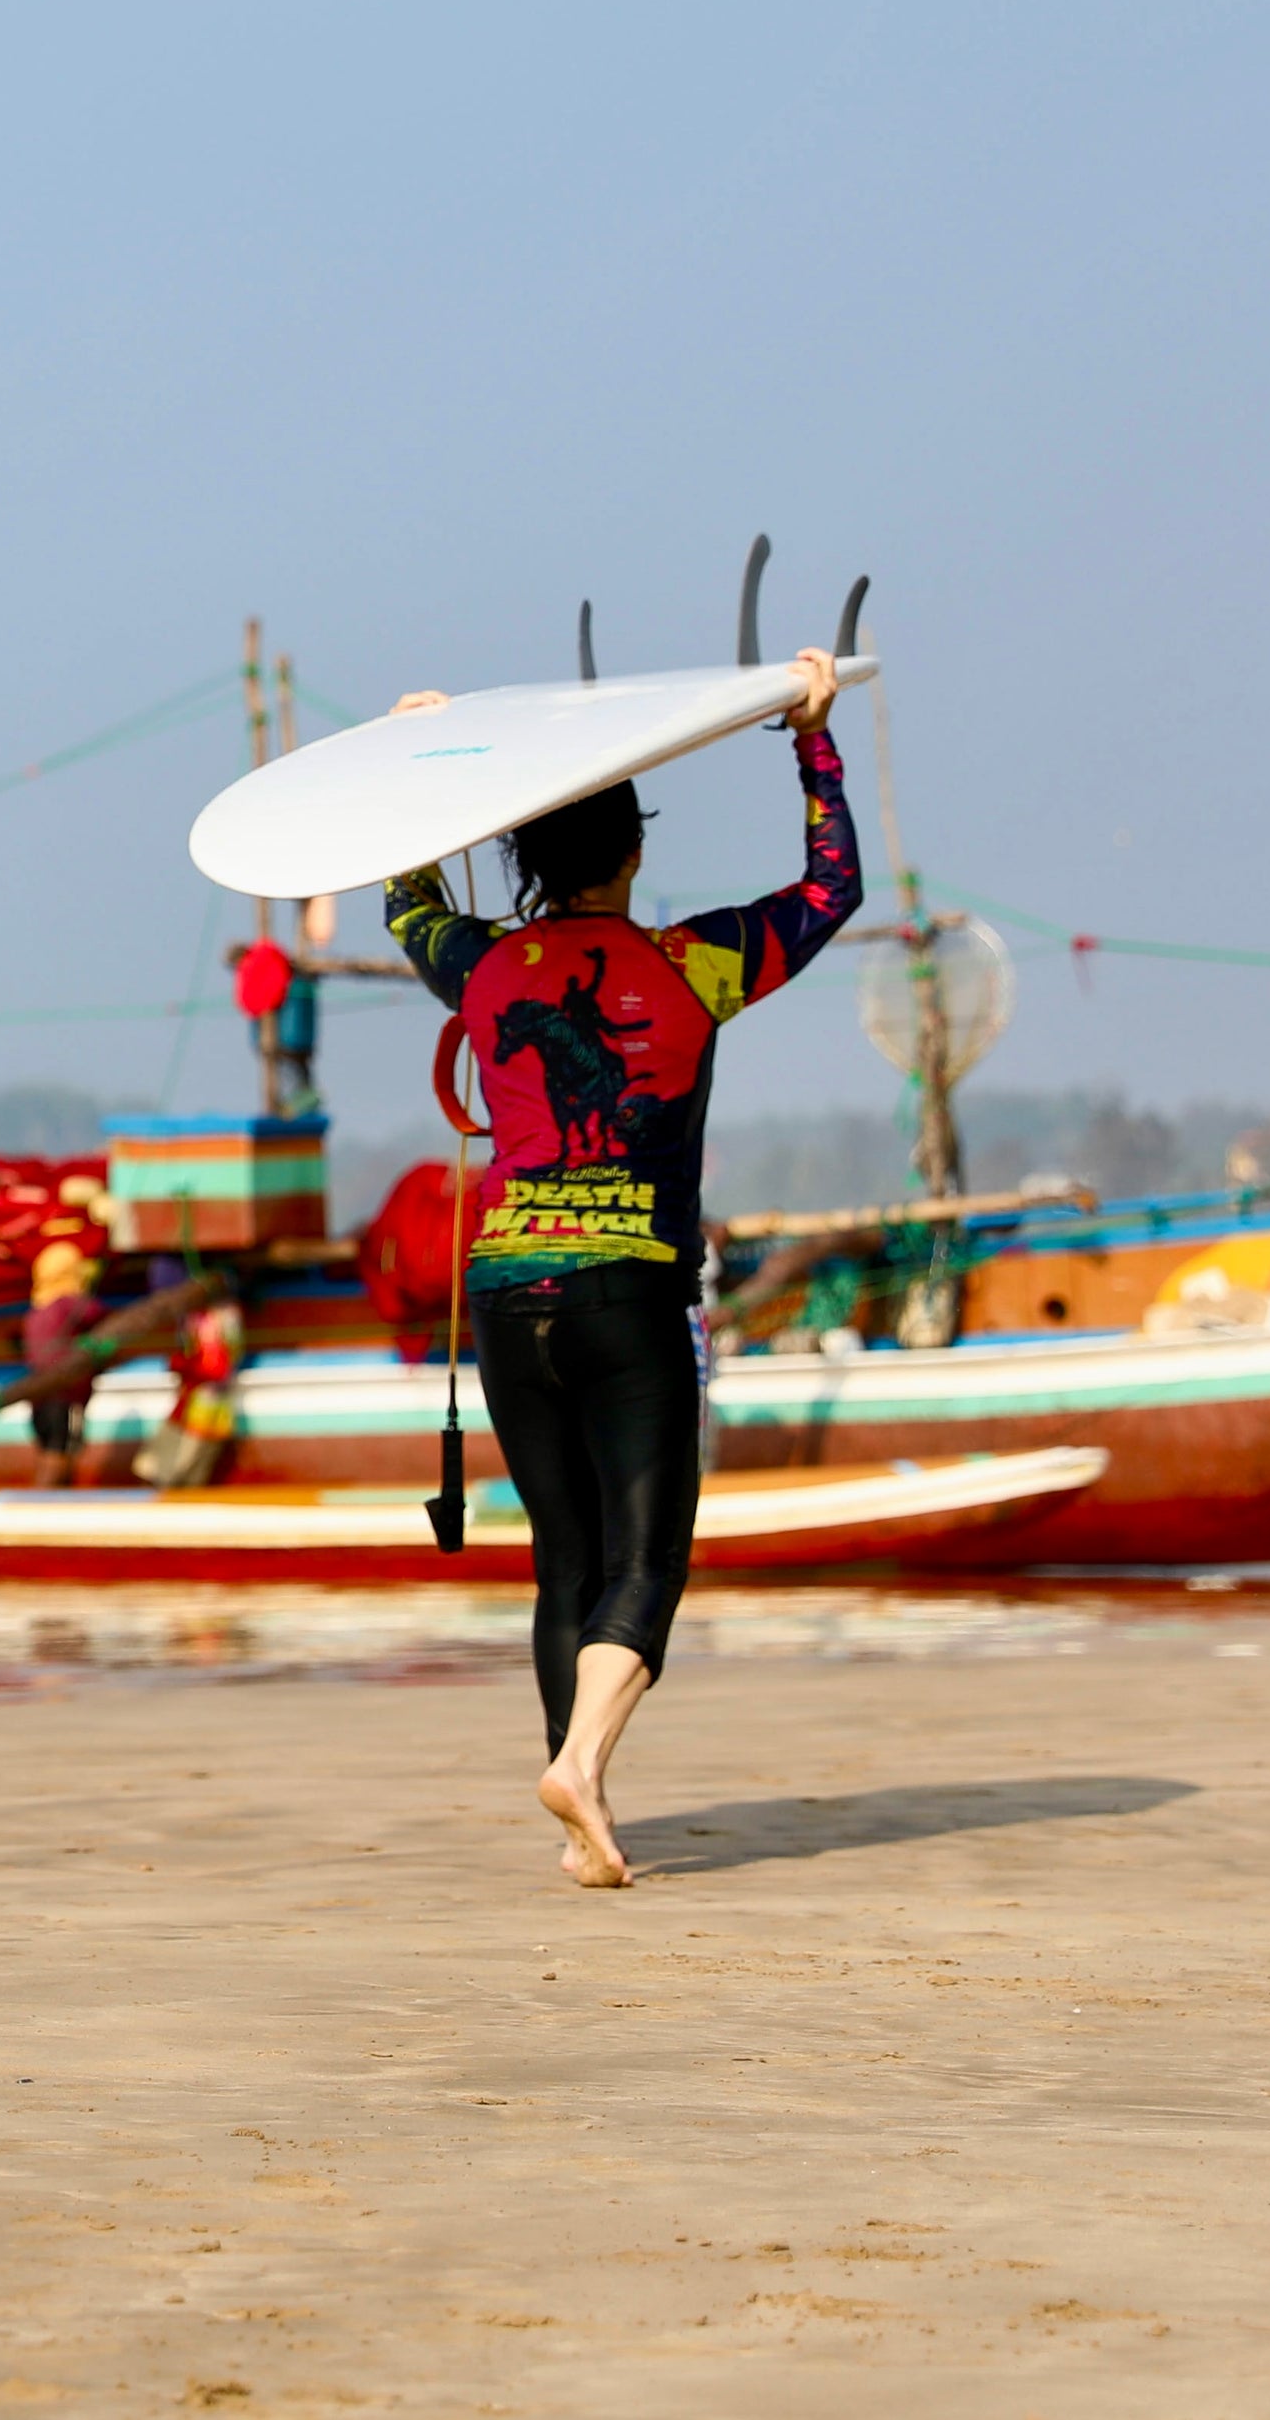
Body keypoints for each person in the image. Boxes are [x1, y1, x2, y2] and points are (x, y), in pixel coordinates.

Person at [385, 648, 857, 1887]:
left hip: (505, 1290)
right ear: (631, 854)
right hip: (632, 1290)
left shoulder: (481, 965)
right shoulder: (700, 961)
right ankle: (583, 1768)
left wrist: (416, 763)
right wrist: (811, 733)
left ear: (530, 861)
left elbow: (407, 899)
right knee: (649, 1564)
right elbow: (831, 887)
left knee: (564, 1561)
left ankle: (579, 1815)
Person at [141, 1282, 245, 1490]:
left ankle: (180, 1480)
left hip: (208, 1389)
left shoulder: (215, 1318)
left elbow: (218, 1357)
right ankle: (176, 1479)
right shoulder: (205, 1318)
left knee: (194, 1441)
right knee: (190, 1439)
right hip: (201, 1388)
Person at [21, 1241, 108, 1484]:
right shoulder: (67, 1304)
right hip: (65, 1393)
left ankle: (47, 1491)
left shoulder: (36, 1311)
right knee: (62, 1447)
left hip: (38, 1392)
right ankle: (47, 1498)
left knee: (48, 1445)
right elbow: (96, 1313)